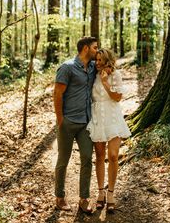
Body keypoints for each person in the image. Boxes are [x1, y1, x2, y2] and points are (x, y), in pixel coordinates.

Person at [54, 36, 98, 213]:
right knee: (63, 160)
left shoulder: (94, 66)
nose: (97, 50)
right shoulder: (67, 67)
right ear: (86, 48)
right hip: (68, 122)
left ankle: (84, 198)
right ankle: (59, 196)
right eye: (95, 47)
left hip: (86, 122)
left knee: (87, 159)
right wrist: (60, 119)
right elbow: (57, 93)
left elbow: (109, 66)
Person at [87, 49, 131, 213]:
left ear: (107, 61)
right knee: (99, 156)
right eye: (96, 60)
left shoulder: (115, 75)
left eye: (100, 60)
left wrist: (106, 83)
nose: (97, 63)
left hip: (113, 118)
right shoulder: (93, 74)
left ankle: (111, 193)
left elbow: (118, 98)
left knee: (112, 155)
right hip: (98, 117)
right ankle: (100, 192)